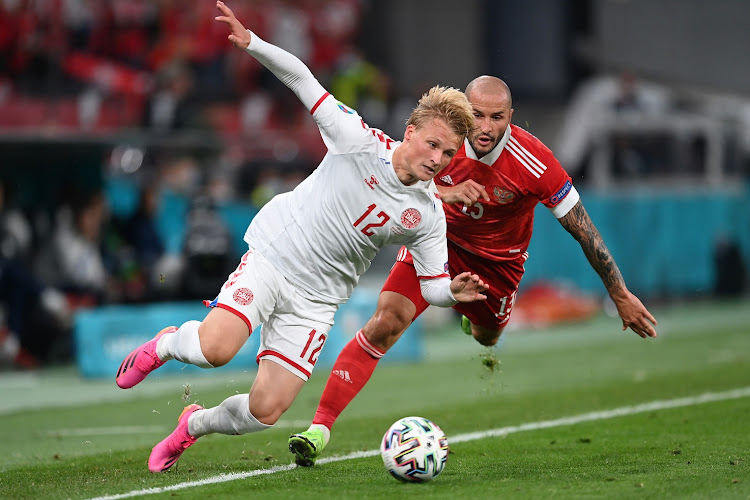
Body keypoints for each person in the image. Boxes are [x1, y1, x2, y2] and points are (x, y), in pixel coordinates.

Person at [115, 1, 487, 474]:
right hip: (277, 255)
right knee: (216, 350)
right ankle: (167, 344)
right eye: (432, 144)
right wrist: (254, 44)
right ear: (410, 132)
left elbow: (432, 286)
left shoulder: (428, 215)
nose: (438, 158)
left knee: (266, 411)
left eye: (449, 152)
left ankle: (193, 425)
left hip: (318, 300)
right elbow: (303, 80)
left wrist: (451, 292)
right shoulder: (357, 140)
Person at [288, 75, 659, 466]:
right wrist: (444, 194)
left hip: (498, 266)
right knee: (385, 322)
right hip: (435, 242)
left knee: (486, 337)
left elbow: (583, 230)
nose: (485, 127)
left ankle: (474, 321)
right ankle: (319, 428)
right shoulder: (441, 141)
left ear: (511, 117)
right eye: (477, 115)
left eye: (496, 117)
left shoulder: (535, 162)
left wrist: (619, 294)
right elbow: (394, 180)